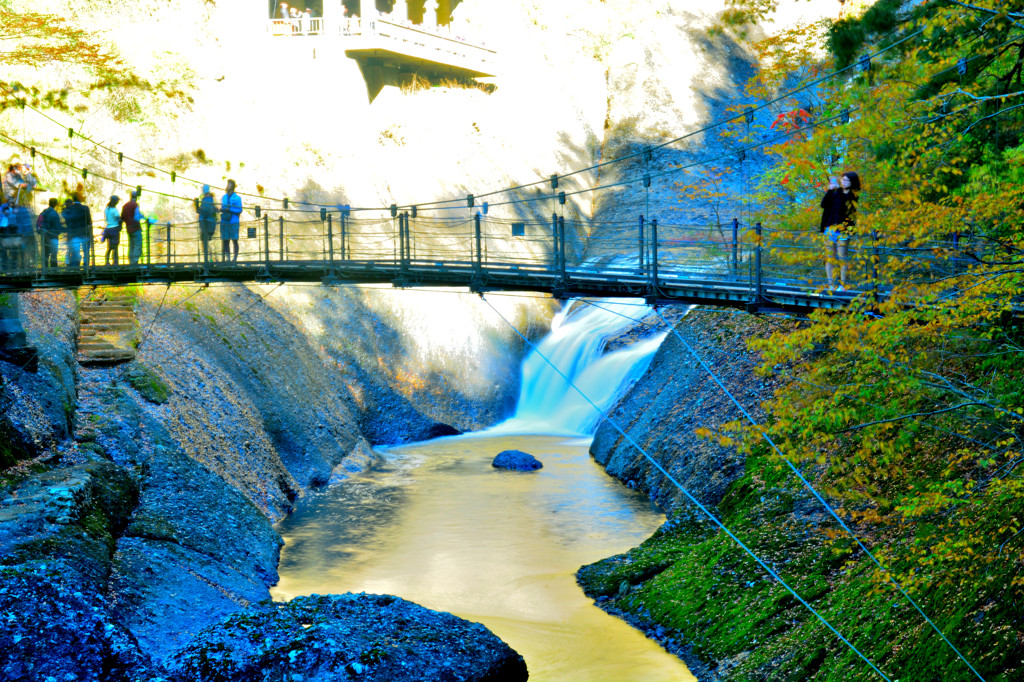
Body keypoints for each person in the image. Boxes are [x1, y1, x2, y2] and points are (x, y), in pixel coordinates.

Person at [820, 171, 860, 291]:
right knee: (830, 258)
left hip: (843, 231)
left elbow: (848, 208)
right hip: (829, 229)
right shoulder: (835, 193)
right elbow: (823, 204)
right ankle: (831, 284)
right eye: (842, 179)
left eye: (846, 180)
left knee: (842, 257)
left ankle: (842, 285)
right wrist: (830, 190)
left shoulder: (853, 196)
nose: (843, 182)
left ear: (852, 182)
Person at [65, 192, 94, 267]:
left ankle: (75, 267)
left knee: (75, 252)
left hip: (74, 234)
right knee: (86, 251)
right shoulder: (85, 208)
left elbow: (68, 222)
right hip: (85, 233)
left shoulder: (69, 209)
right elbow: (89, 221)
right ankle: (86, 266)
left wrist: (69, 234)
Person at [220, 179, 242, 262]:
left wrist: (230, 210)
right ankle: (228, 258)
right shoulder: (224, 197)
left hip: (233, 221)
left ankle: (234, 259)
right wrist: (222, 209)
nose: (227, 186)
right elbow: (223, 206)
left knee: (234, 240)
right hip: (225, 221)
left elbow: (239, 210)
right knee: (226, 240)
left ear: (232, 186)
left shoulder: (237, 198)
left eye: (229, 184)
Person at [38, 198, 64, 269]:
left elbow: (38, 224)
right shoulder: (54, 214)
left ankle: (45, 269)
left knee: (46, 254)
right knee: (53, 254)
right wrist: (59, 231)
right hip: (53, 237)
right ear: (55, 204)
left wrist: (41, 233)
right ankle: (54, 269)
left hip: (44, 237)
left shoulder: (43, 213)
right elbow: (57, 226)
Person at [196, 184, 217, 263]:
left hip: (207, 224)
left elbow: (205, 211)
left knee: (205, 240)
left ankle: (208, 259)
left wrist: (197, 206)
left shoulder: (207, 200)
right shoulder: (209, 199)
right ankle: (209, 258)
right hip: (209, 224)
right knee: (206, 241)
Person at [121, 190, 143, 265]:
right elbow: (137, 216)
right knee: (138, 245)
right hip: (136, 228)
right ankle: (134, 262)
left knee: (131, 246)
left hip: (129, 228)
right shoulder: (135, 205)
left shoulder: (125, 205)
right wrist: (144, 217)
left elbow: (122, 217)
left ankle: (131, 261)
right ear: (136, 197)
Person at [102, 195, 122, 265]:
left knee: (109, 247)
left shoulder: (107, 209)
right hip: (115, 229)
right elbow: (118, 218)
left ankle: (107, 261)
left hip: (108, 229)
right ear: (115, 201)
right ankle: (115, 262)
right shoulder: (115, 210)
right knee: (115, 247)